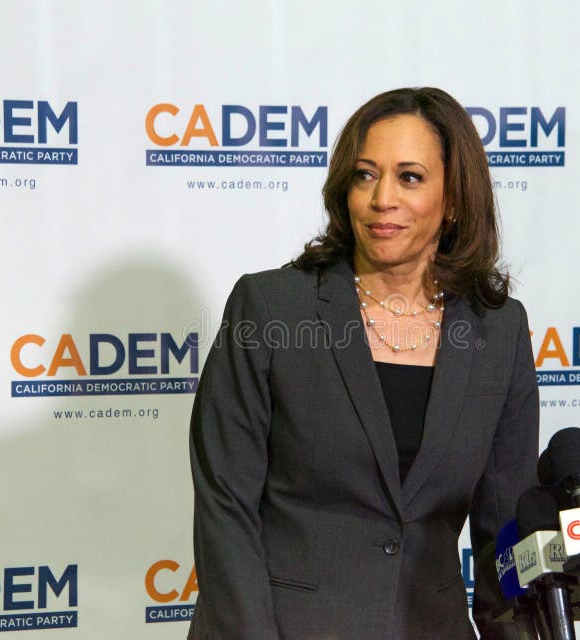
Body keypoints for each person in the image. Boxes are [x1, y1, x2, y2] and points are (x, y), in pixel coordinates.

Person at [188, 87, 539, 640]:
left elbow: (507, 537)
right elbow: (225, 507)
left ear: (453, 199)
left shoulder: (500, 330)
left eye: (410, 177)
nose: (382, 199)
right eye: (365, 175)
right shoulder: (272, 307)